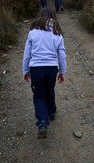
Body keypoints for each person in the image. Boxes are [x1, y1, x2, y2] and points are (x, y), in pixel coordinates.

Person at [22, 8, 66, 139]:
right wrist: (62, 72)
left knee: (39, 95)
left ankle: (42, 122)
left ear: (39, 17)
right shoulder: (57, 33)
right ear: (53, 18)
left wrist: (25, 71)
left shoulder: (33, 33)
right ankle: (51, 113)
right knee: (50, 89)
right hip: (52, 69)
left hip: (36, 69)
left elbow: (26, 55)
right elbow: (62, 55)